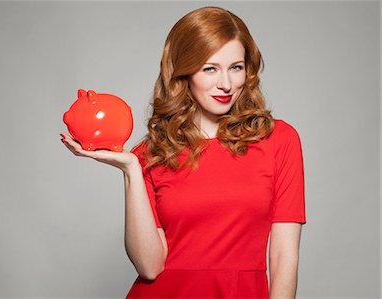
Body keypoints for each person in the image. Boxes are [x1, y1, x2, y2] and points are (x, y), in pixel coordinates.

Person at [60, 6, 306, 299]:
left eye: (236, 67)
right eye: (209, 68)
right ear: (184, 72)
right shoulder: (151, 153)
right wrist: (130, 170)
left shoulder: (279, 140)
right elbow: (149, 267)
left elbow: (283, 257)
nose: (226, 84)